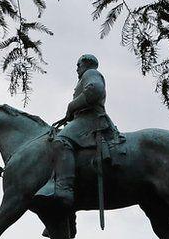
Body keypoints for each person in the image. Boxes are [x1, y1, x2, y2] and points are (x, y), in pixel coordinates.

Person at [49, 54, 120, 208]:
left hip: (90, 120)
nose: (77, 69)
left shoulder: (90, 73)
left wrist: (71, 106)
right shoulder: (86, 76)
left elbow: (95, 90)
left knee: (61, 142)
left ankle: (64, 188)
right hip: (83, 119)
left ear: (86, 64)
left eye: (78, 65)